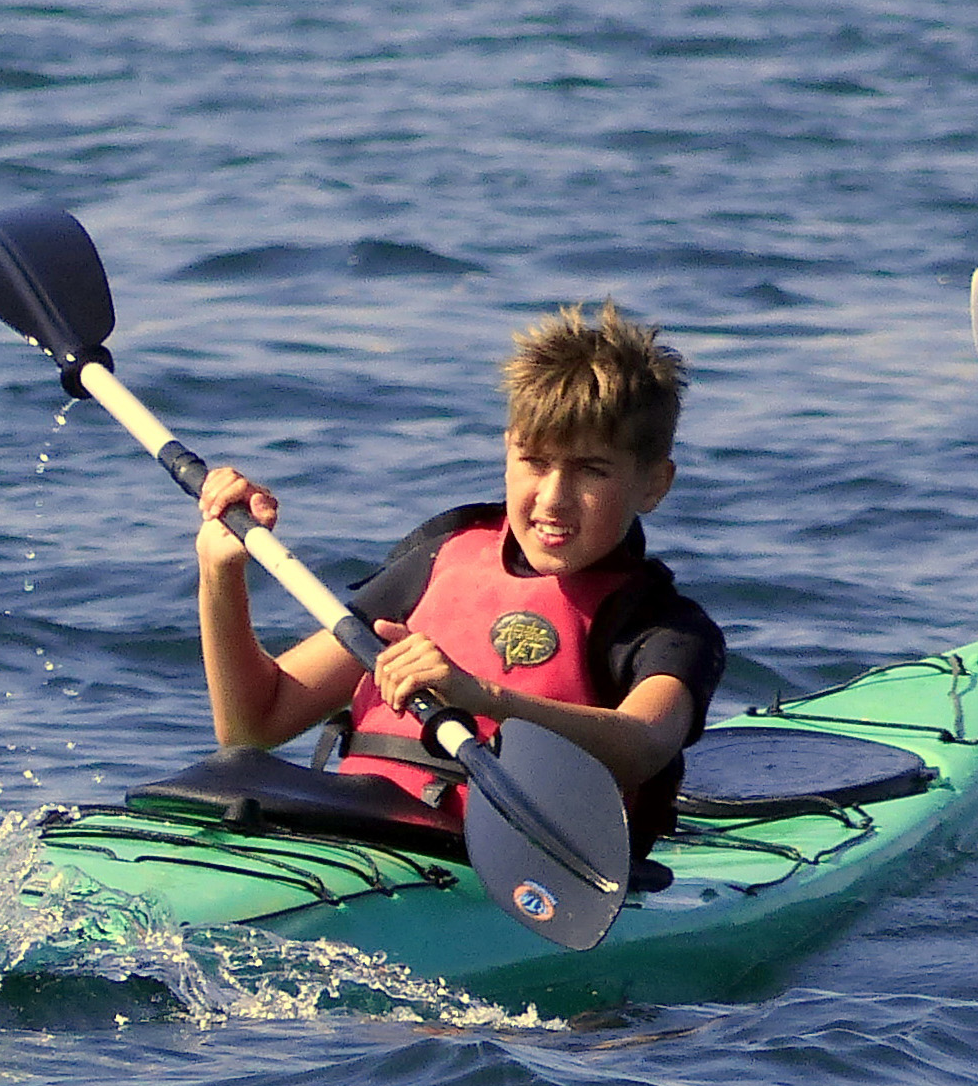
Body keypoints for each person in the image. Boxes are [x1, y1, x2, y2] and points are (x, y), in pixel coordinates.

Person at [192, 301, 724, 871]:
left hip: (521, 876)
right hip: (353, 845)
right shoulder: (439, 562)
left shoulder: (664, 626)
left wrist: (479, 698)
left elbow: (642, 746)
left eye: (592, 470)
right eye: (535, 462)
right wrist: (221, 575)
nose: (552, 499)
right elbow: (255, 723)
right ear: (507, 452)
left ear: (653, 484)